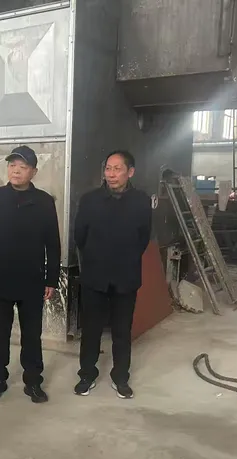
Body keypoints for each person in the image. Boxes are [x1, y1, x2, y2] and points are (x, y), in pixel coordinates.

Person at [0, 146, 61, 403]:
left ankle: (33, 382)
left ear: (34, 171)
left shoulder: (44, 202)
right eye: (12, 165)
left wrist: (51, 279)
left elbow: (53, 244)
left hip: (32, 281)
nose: (16, 171)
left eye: (23, 167)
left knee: (32, 336)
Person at [73, 150, 152, 399]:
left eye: (117, 169)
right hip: (94, 276)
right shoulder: (90, 200)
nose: (111, 174)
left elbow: (143, 237)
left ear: (130, 172)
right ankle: (87, 374)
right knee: (91, 330)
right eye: (108, 168)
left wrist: (125, 259)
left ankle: (121, 377)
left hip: (126, 277)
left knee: (122, 331)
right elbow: (80, 236)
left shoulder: (141, 201)